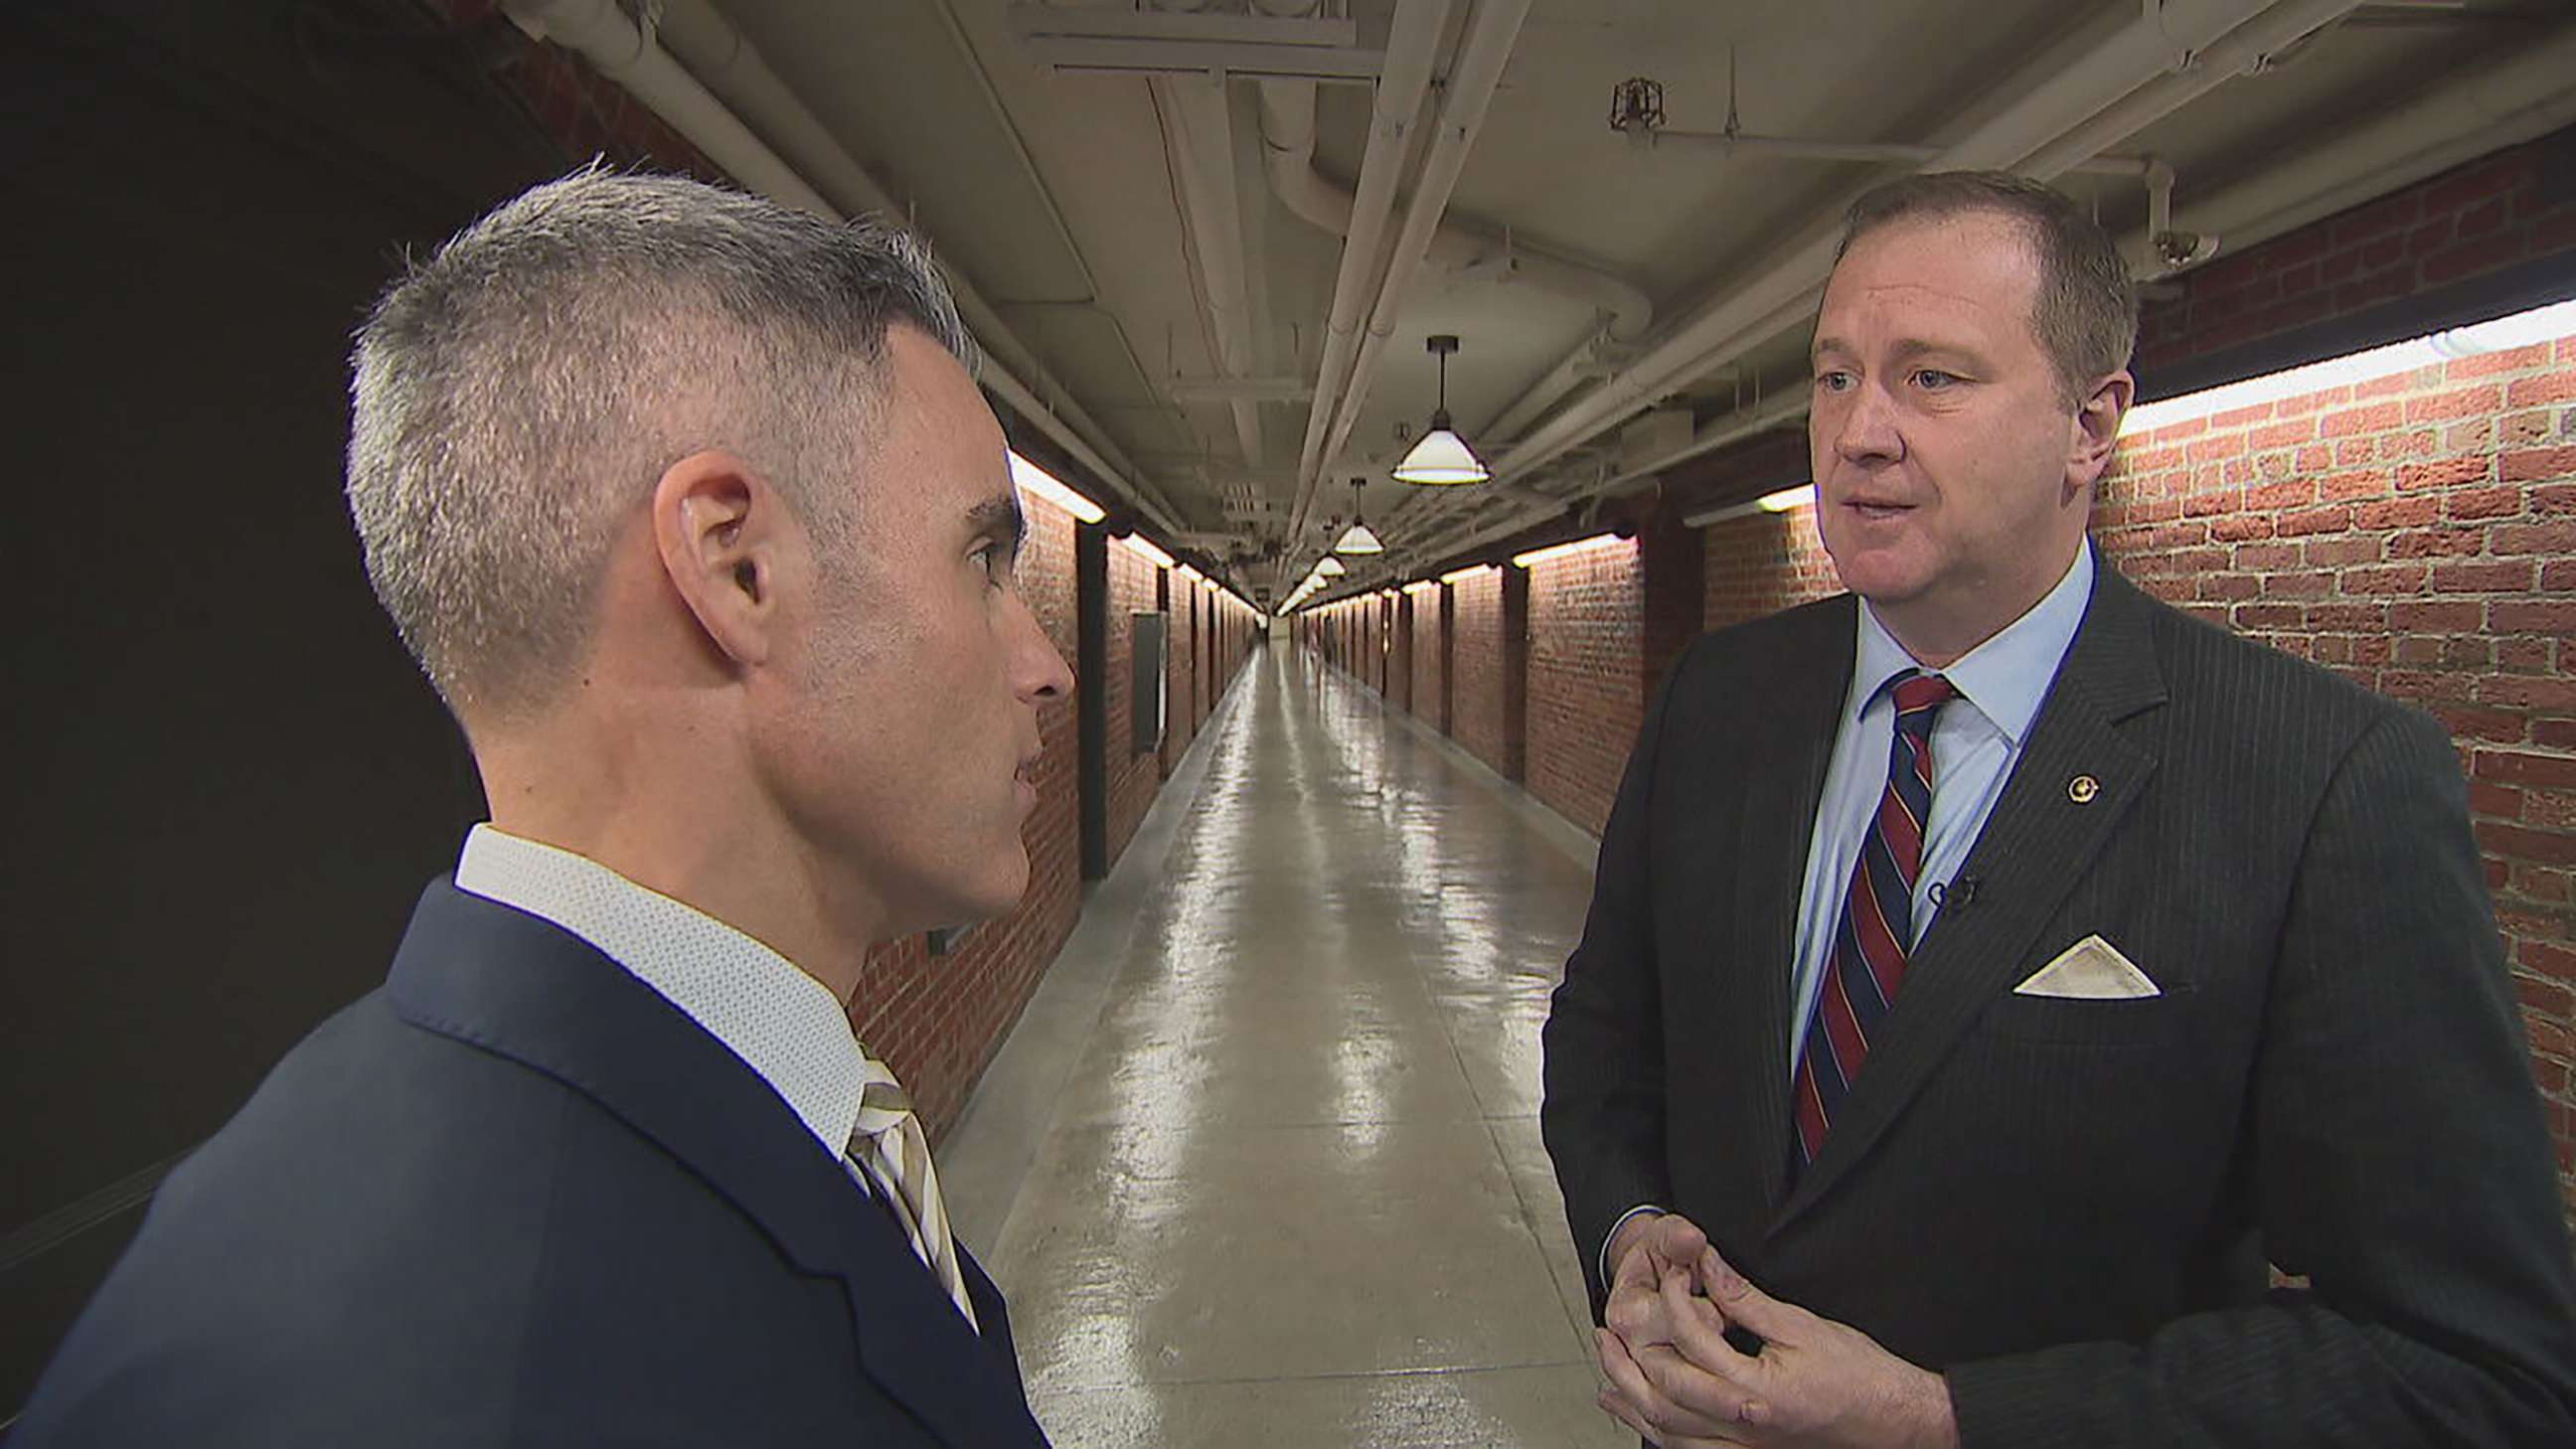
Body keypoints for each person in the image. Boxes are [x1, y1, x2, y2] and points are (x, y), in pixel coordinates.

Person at [16, 168, 1072, 1446]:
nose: (1045, 665)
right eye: (983, 557)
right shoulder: (506, 1385)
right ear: (738, 566)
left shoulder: (335, 1160)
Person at [1540, 170, 2576, 1447]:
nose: (1860, 431)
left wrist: (1943, 1418)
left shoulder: (2320, 780)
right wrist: (1632, 1228)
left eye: (1933, 378)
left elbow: (2472, 1365)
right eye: (1834, 375)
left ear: (2091, 428)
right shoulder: (1721, 704)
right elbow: (1603, 1039)